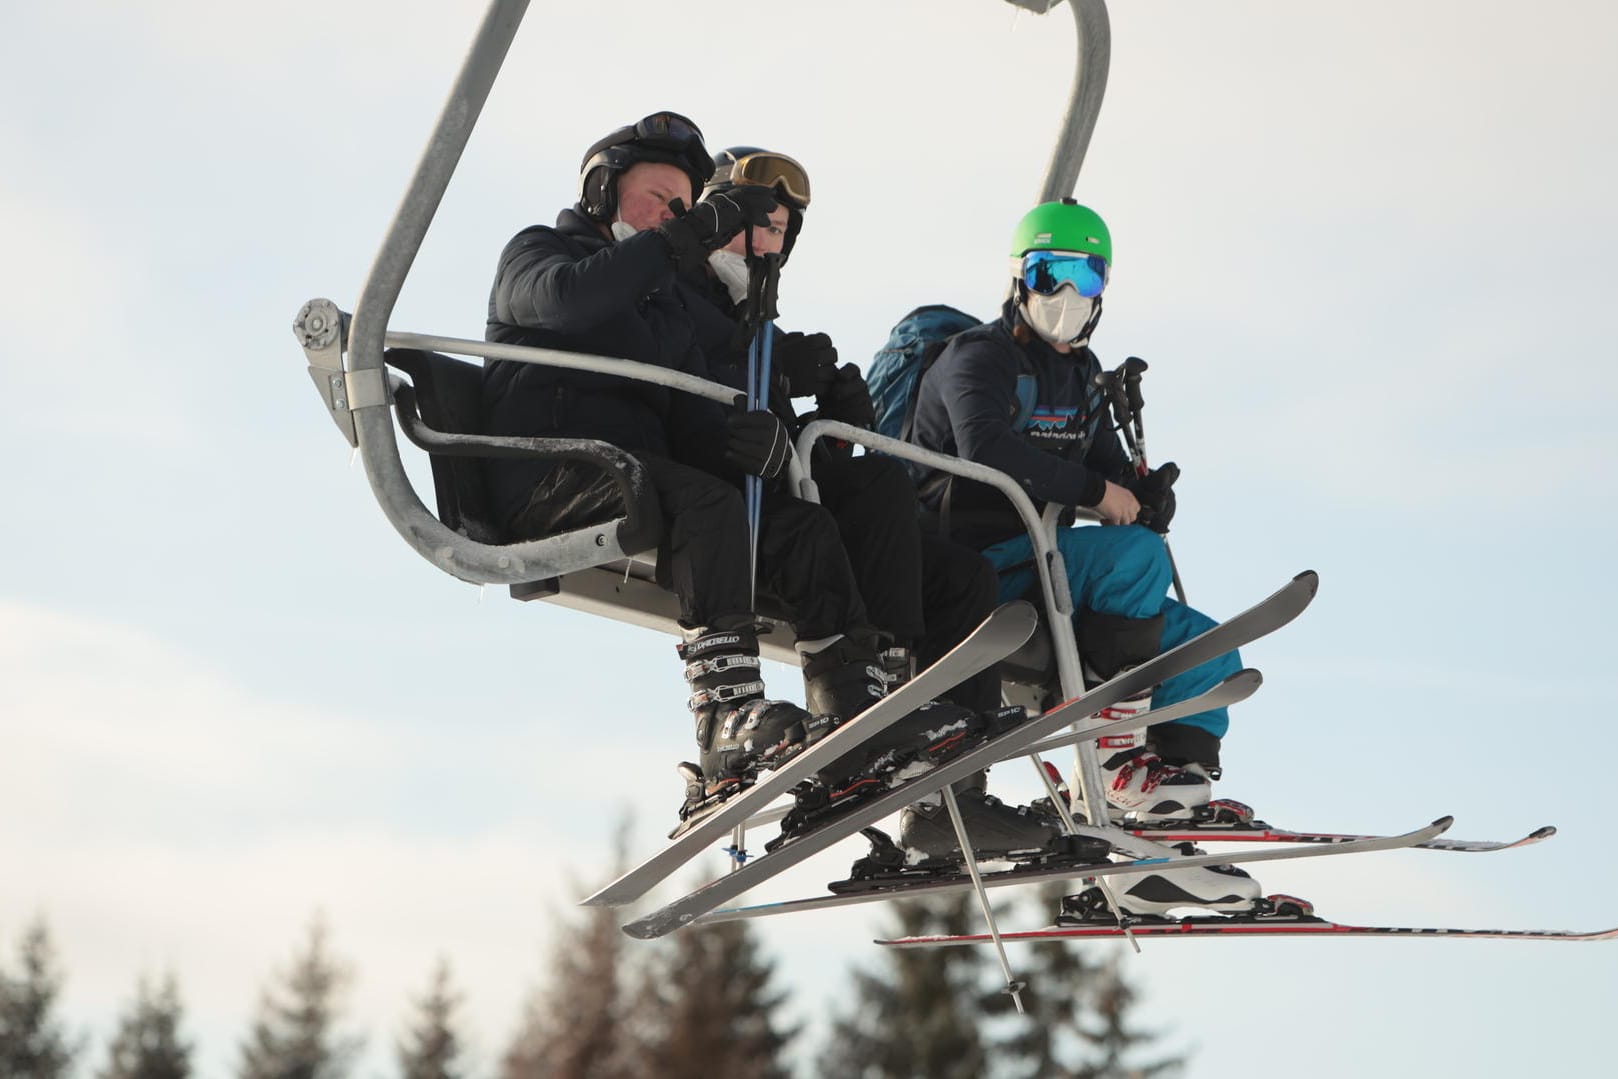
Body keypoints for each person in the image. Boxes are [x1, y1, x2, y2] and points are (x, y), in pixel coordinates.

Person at [479, 112, 984, 827]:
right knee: (708, 501)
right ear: (600, 192)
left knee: (803, 529)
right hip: (546, 468)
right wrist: (682, 242)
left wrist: (797, 420)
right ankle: (724, 718)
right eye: (657, 199)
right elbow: (568, 300)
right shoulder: (541, 251)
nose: (670, 219)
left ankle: (853, 714)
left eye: (684, 208)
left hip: (636, 476)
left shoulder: (659, 299)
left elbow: (695, 394)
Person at [682, 147, 1067, 859]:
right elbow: (672, 404)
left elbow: (780, 443)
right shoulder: (679, 299)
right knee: (871, 498)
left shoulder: (753, 323)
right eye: (752, 227)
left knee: (965, 580)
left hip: (776, 494)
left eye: (778, 233)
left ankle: (953, 794)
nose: (765, 244)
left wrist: (828, 429)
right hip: (715, 505)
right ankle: (866, 703)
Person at [909, 198, 1266, 914]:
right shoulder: (977, 357)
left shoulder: (1079, 376)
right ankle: (1109, 762)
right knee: (1134, 559)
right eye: (1049, 275)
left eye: (1086, 280)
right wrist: (1099, 492)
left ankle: (1162, 822)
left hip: (1048, 566)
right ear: (1020, 279)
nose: (1066, 298)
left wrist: (1140, 488)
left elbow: (1105, 466)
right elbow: (985, 448)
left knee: (1205, 647)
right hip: (974, 561)